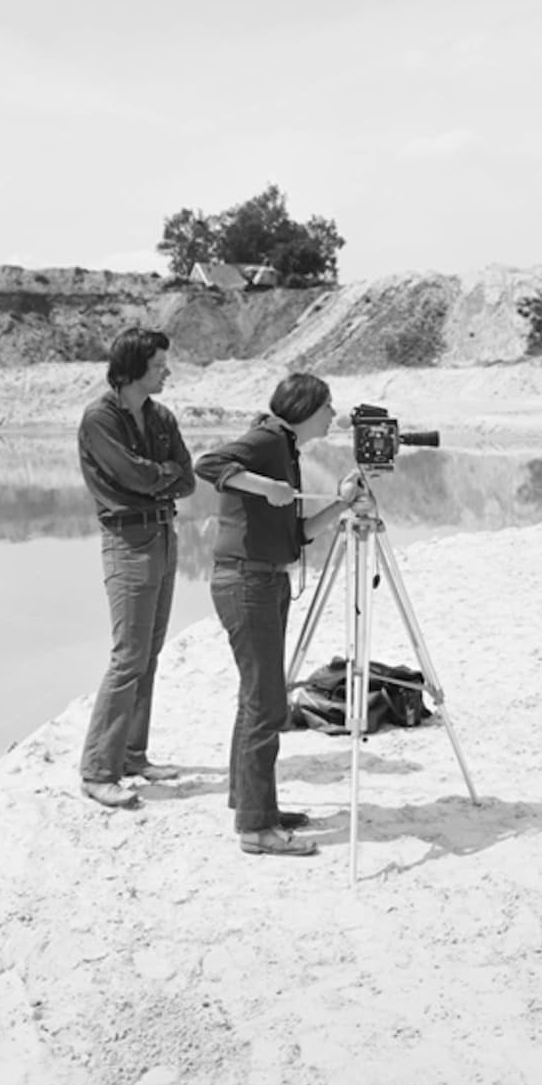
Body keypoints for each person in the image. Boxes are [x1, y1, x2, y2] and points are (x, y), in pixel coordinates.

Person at [194, 372, 362, 856]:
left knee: (258, 698)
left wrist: (342, 504)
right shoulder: (269, 439)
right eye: (328, 406)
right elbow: (208, 464)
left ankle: (253, 806)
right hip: (248, 582)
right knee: (266, 703)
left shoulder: (285, 448)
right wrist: (264, 485)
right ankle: (256, 828)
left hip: (264, 579)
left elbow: (298, 534)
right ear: (307, 408)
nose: (333, 415)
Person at [78, 327, 195, 808]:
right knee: (128, 656)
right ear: (132, 369)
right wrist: (158, 477)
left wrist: (158, 480)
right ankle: (97, 770)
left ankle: (132, 754)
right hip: (127, 541)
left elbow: (186, 477)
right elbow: (133, 476)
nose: (167, 371)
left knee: (150, 652)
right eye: (159, 365)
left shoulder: (161, 416)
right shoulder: (99, 419)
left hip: (164, 535)